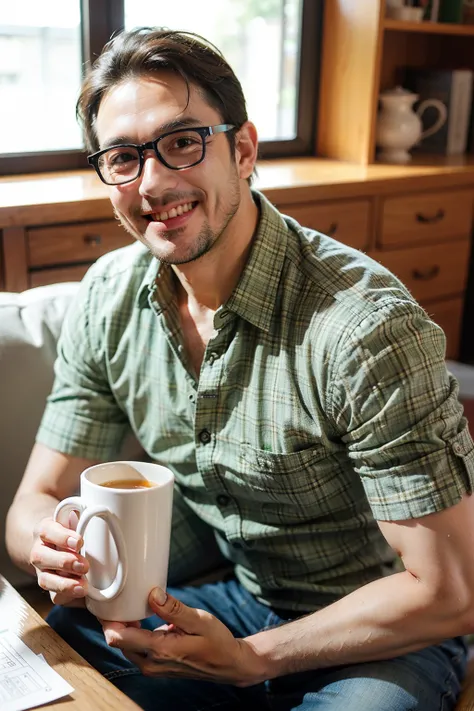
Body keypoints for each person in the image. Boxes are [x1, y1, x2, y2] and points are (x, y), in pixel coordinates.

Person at [6, 26, 474, 711]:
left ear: (243, 149)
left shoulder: (363, 327)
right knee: (70, 643)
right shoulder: (109, 298)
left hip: (382, 626)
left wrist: (250, 660)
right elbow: (32, 505)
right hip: (239, 595)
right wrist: (47, 549)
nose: (155, 183)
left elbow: (452, 588)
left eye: (182, 142)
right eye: (124, 158)